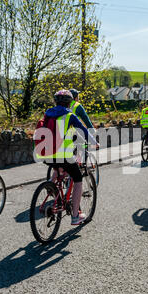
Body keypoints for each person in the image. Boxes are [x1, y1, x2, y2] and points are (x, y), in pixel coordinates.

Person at [35, 89, 98, 226]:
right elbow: (84, 131)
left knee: (58, 171)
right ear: (70, 103)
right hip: (64, 155)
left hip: (46, 154)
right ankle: (75, 216)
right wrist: (94, 142)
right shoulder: (70, 115)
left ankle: (52, 188)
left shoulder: (48, 113)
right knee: (78, 180)